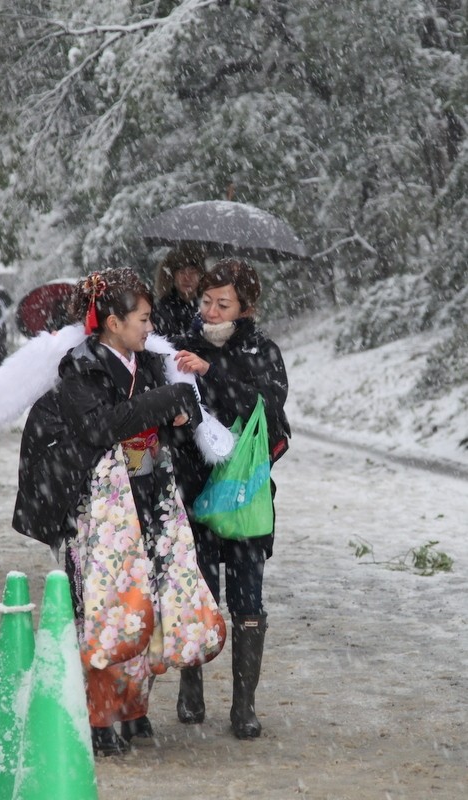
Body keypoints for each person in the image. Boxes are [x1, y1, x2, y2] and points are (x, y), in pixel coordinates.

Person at [12, 267, 226, 757]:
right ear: (112, 322)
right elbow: (100, 427)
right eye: (143, 318)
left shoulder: (146, 363)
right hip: (101, 506)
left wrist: (181, 412)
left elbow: (177, 411)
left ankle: (134, 709)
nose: (150, 328)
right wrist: (162, 402)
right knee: (106, 606)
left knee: (142, 601)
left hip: (147, 488)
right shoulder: (80, 367)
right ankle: (100, 714)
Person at [171, 258, 291, 740]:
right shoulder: (184, 348)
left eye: (224, 303)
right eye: (206, 302)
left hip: (244, 497)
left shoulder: (263, 351)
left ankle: (244, 704)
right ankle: (191, 683)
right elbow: (173, 412)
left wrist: (213, 373)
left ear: (247, 307)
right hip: (194, 492)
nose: (212, 311)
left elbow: (270, 414)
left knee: (247, 599)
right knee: (198, 593)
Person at [151, 245, 205, 337]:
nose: (187, 278)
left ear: (201, 275)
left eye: (192, 271)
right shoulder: (160, 310)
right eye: (181, 272)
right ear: (171, 276)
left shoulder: (207, 308)